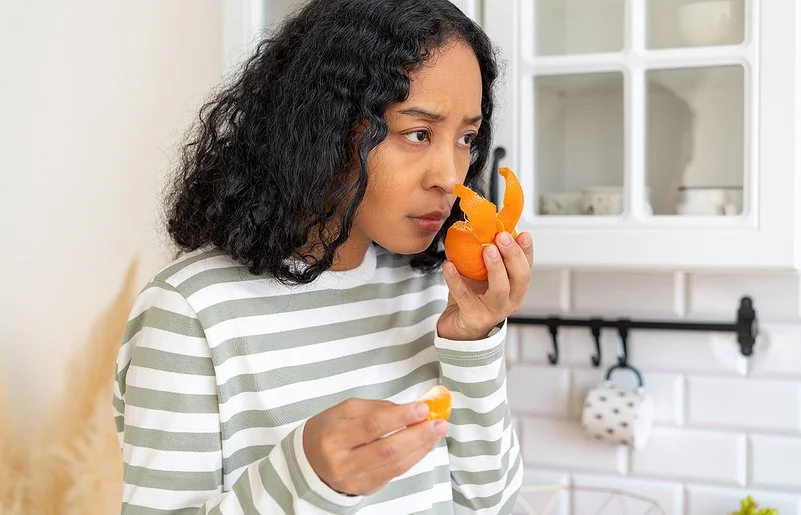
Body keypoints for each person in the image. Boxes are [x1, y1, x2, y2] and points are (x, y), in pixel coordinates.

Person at [112, 0, 533, 513]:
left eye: (466, 138)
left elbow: (489, 504)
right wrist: (303, 475)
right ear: (325, 126)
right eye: (417, 133)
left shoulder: (435, 293)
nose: (450, 175)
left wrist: (472, 342)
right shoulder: (192, 312)